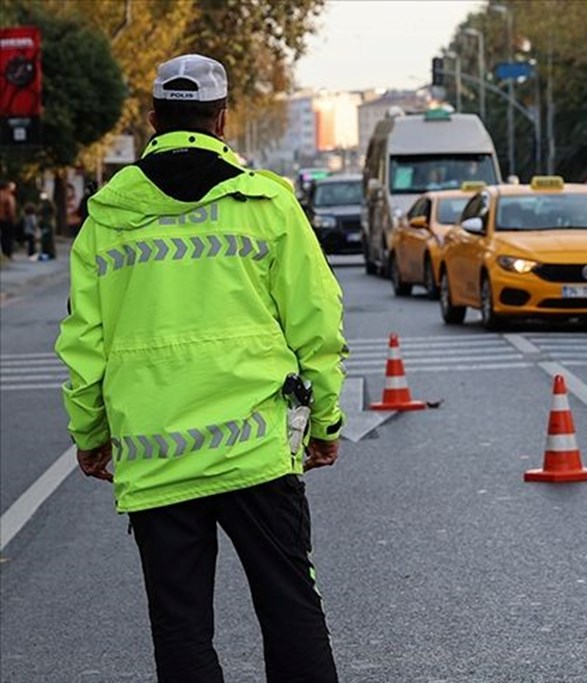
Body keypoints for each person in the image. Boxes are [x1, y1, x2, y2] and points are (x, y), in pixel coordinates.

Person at [55, 54, 345, 682]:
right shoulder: (266, 202)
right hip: (257, 451)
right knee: (290, 606)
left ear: (154, 118)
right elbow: (317, 322)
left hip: (158, 457)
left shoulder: (106, 217)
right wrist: (325, 420)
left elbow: (84, 345)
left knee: (181, 628)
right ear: (222, 119)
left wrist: (90, 435)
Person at [0, 180, 16, 258]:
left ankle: (5, 253)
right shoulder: (7, 196)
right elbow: (9, 208)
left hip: (3, 218)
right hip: (7, 219)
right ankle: (7, 253)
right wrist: (11, 217)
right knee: (8, 237)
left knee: (3, 236)